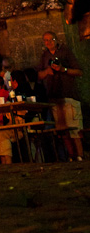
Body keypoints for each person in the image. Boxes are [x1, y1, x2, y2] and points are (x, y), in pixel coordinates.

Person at [38, 31, 84, 160]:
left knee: (74, 128)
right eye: (45, 40)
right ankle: (70, 155)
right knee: (62, 130)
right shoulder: (44, 56)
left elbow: (79, 71)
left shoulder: (65, 52)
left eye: (51, 40)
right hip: (54, 96)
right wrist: (47, 71)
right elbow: (38, 75)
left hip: (68, 94)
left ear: (56, 40)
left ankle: (79, 155)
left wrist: (63, 70)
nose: (48, 43)